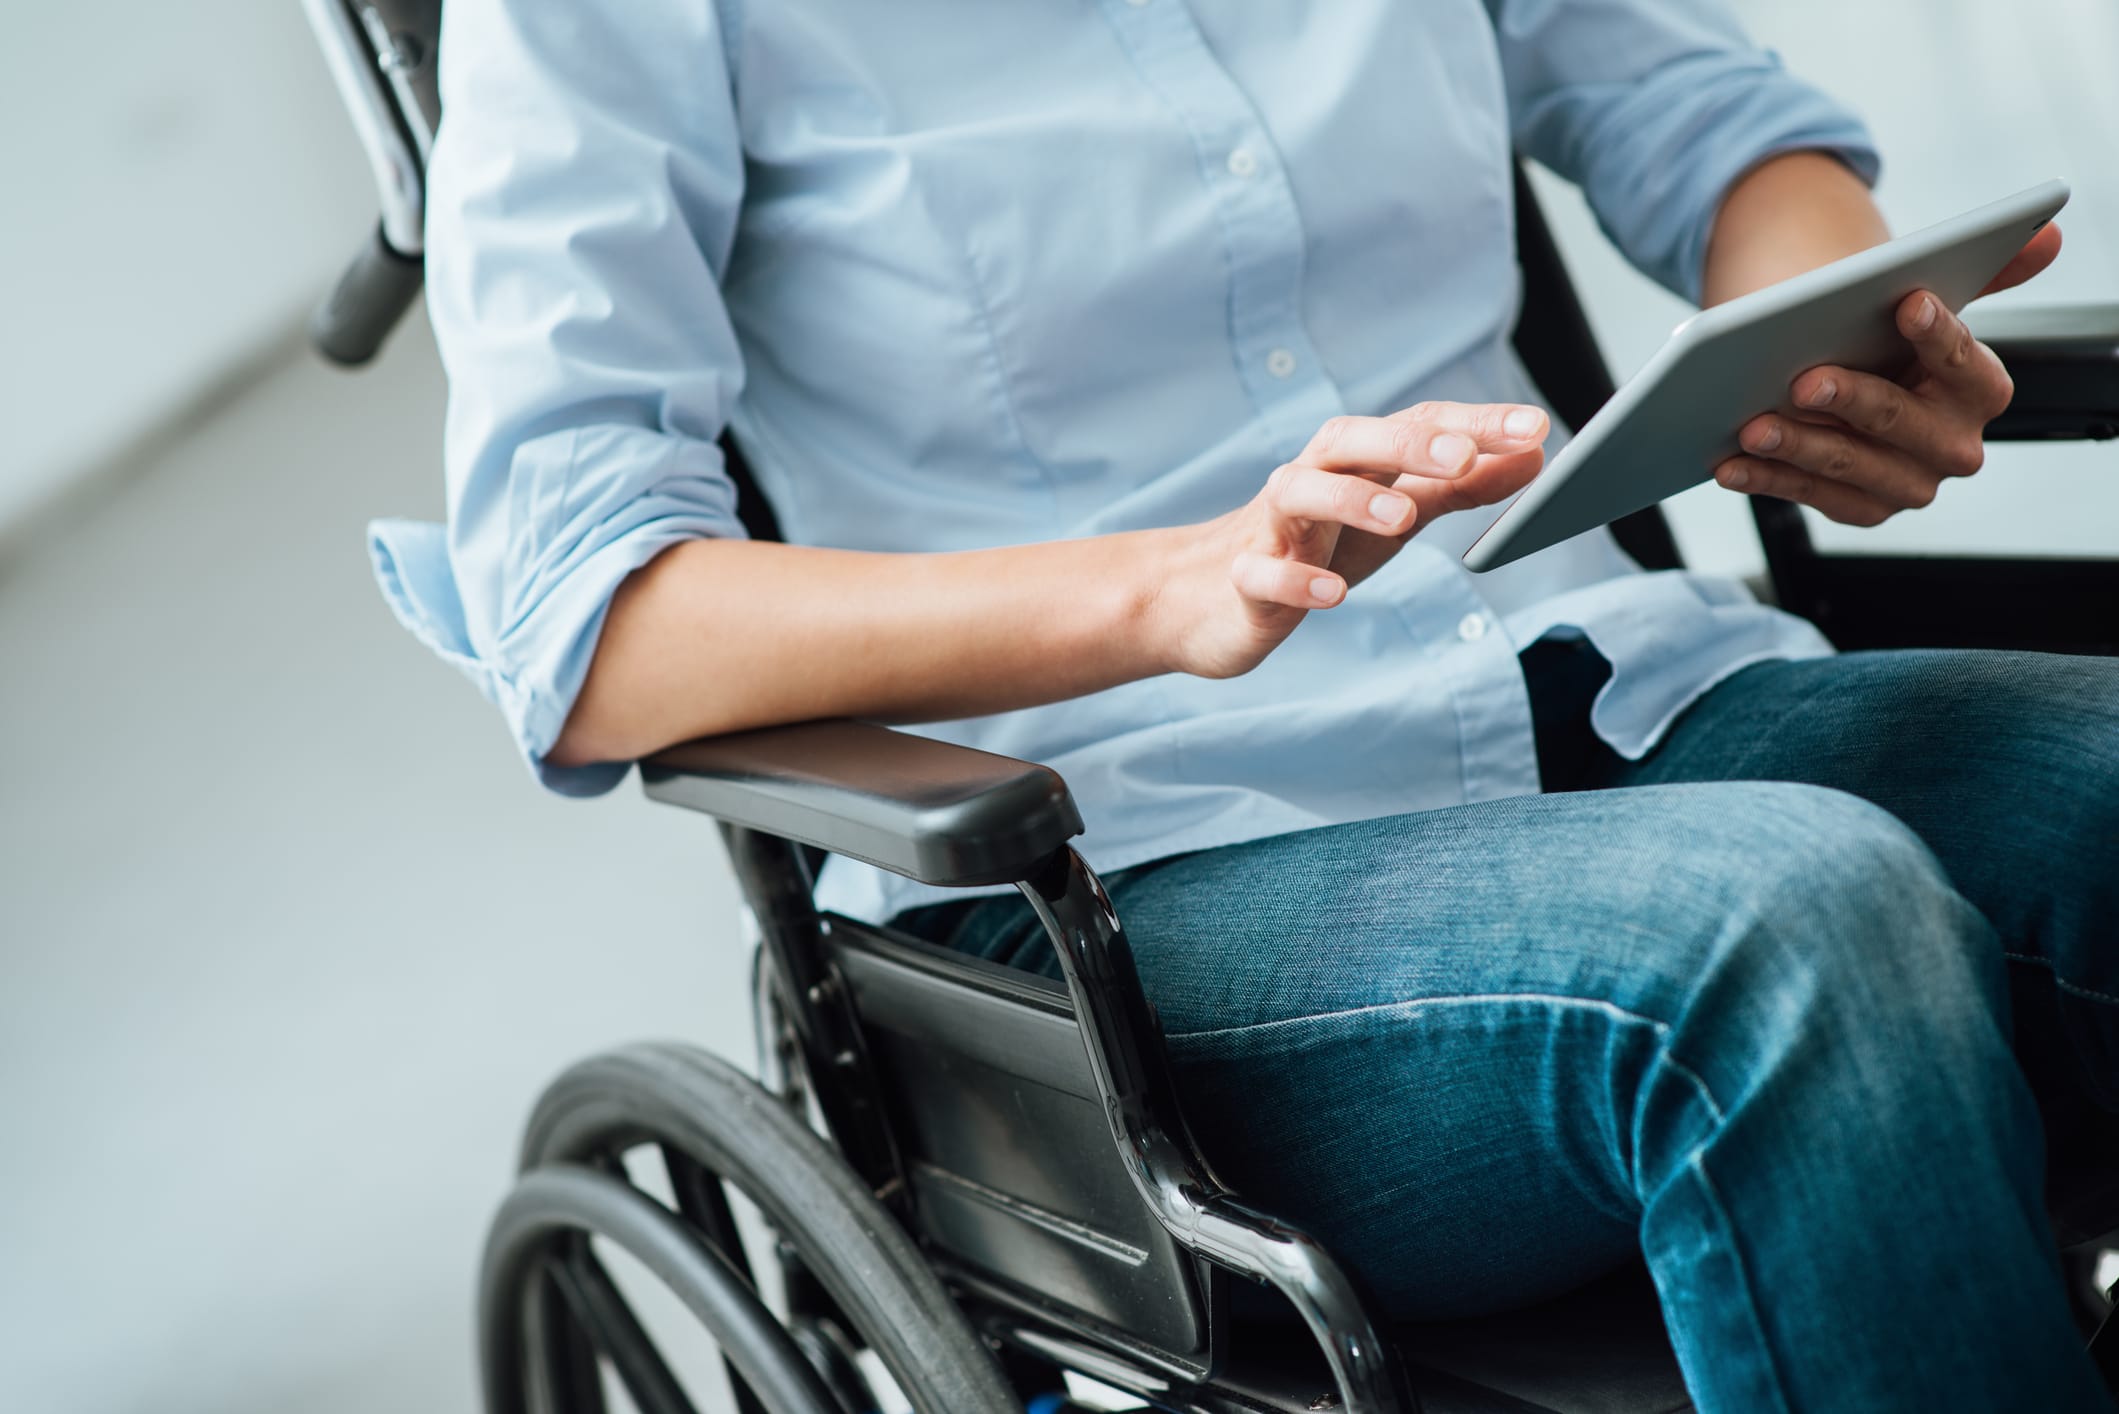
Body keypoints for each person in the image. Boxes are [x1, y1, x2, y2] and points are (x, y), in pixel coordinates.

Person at [369, 1, 2118, 1408]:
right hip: (1125, 879)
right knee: (1795, 928)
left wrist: (1834, 352)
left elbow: (1724, 132)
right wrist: (1167, 583)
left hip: (1583, 688)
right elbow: (581, 619)